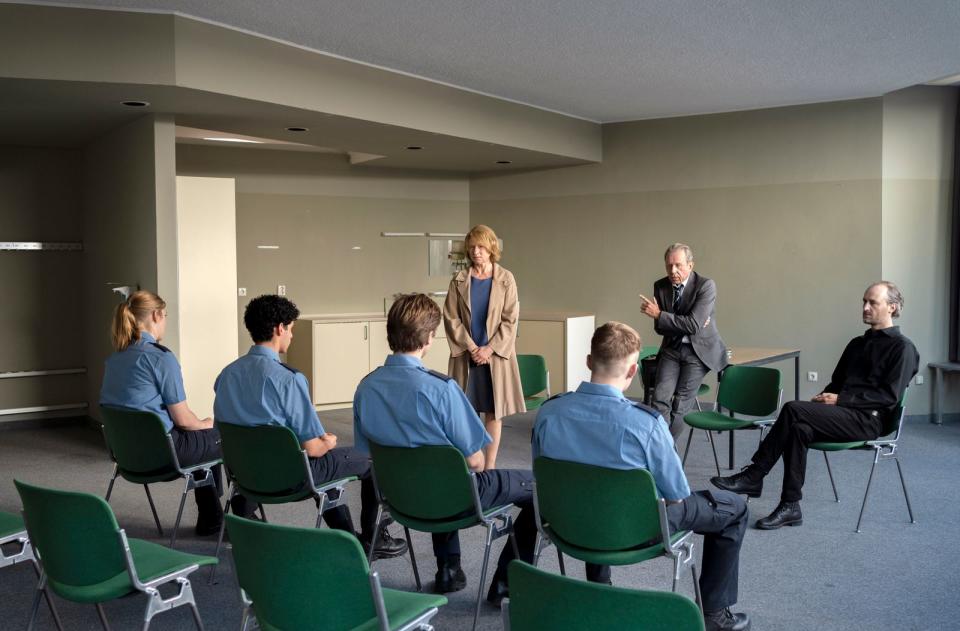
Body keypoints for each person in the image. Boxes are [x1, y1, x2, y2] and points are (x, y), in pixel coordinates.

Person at [533, 322, 750, 631]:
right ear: (633, 371)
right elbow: (676, 496)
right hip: (635, 530)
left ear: (588, 361)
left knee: (592, 491)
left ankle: (599, 588)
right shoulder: (646, 425)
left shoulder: (548, 414)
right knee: (734, 509)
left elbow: (543, 480)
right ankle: (714, 616)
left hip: (570, 522)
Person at [354, 293, 535, 603]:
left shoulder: (366, 387)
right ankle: (503, 581)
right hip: (449, 497)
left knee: (434, 468)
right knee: (534, 488)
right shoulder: (442, 390)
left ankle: (449, 568)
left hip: (397, 497)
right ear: (429, 338)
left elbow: (367, 453)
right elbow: (476, 461)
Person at [712, 281, 919, 529]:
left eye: (872, 302)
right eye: (864, 301)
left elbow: (889, 396)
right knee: (799, 428)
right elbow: (836, 383)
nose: (865, 307)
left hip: (869, 421)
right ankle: (790, 506)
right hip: (842, 414)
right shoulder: (857, 344)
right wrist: (823, 399)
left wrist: (840, 400)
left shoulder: (903, 348)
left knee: (792, 408)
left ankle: (754, 475)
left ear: (892, 307)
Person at [213, 294, 407, 559]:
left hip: (245, 476)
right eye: (290, 328)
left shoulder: (226, 375)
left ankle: (349, 540)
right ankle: (373, 538)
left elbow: (225, 430)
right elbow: (313, 448)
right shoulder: (289, 380)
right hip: (292, 478)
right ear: (279, 328)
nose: (291, 335)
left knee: (268, 452)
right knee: (368, 459)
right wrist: (327, 441)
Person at [100, 290, 229, 535]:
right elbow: (183, 419)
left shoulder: (115, 360)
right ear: (157, 315)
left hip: (128, 456)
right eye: (166, 315)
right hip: (164, 455)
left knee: (203, 444)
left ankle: (212, 516)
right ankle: (234, 514)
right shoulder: (160, 358)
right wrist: (207, 423)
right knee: (217, 436)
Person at [444, 224, 525, 469]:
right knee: (466, 414)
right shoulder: (459, 280)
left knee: (493, 412)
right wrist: (472, 347)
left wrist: (489, 349)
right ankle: (474, 463)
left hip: (495, 357)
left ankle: (489, 467)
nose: (476, 252)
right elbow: (451, 317)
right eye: (472, 247)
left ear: (491, 248)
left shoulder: (506, 279)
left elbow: (510, 320)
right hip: (467, 356)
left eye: (481, 246)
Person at [640, 243, 728, 441]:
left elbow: (693, 326)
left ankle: (664, 451)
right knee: (660, 399)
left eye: (678, 265)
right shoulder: (661, 286)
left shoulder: (706, 286)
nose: (673, 271)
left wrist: (661, 315)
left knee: (679, 405)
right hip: (671, 348)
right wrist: (675, 321)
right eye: (669, 266)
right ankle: (661, 446)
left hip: (699, 352)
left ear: (690, 265)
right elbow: (660, 328)